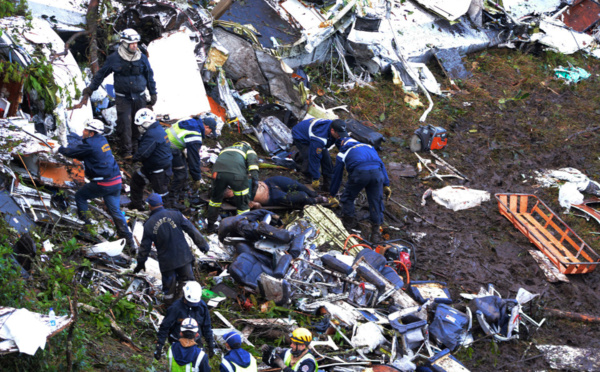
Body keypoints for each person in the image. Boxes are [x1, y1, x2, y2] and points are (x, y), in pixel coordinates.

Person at [55, 119, 135, 248]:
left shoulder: (90, 144)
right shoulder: (102, 140)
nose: (83, 132)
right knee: (115, 211)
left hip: (104, 183)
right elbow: (86, 155)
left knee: (80, 196)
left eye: (85, 130)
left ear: (91, 133)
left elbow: (71, 152)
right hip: (116, 182)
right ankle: (129, 240)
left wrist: (59, 148)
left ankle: (86, 226)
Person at [79, 28, 157, 158]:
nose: (134, 46)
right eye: (131, 43)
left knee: (139, 123)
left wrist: (153, 93)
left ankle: (136, 150)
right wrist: (91, 89)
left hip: (140, 97)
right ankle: (126, 151)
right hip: (123, 98)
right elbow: (101, 74)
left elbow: (149, 76)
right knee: (124, 124)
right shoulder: (114, 58)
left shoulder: (142, 57)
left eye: (136, 43)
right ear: (124, 43)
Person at [134, 194, 209, 304]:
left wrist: (140, 263)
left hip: (167, 262)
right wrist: (203, 245)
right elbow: (192, 230)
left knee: (169, 290)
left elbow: (145, 247)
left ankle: (170, 308)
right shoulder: (176, 214)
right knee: (188, 283)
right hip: (183, 257)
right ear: (161, 203)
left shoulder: (149, 224)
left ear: (149, 205)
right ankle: (186, 305)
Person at [329, 136, 391, 243]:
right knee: (376, 201)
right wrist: (386, 184)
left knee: (348, 197)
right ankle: (376, 233)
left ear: (342, 143)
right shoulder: (370, 147)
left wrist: (332, 194)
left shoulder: (343, 152)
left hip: (360, 173)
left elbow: (337, 176)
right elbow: (381, 164)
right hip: (377, 174)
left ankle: (349, 227)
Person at [155, 281, 215, 362]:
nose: (192, 305)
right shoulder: (175, 308)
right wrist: (159, 345)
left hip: (195, 342)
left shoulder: (202, 307)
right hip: (177, 342)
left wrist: (211, 344)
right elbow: (165, 326)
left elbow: (206, 326)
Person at [206, 141, 259, 233]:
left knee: (215, 200)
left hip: (217, 174)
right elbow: (253, 165)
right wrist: (255, 180)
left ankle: (210, 226)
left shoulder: (226, 149)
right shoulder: (248, 149)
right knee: (243, 204)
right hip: (237, 175)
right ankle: (242, 229)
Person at [129, 108, 174, 210]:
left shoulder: (152, 134)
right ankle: (136, 206)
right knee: (136, 180)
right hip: (152, 167)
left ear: (145, 123)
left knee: (161, 196)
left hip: (159, 171)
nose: (138, 128)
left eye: (139, 126)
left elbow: (143, 153)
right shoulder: (156, 129)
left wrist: (133, 159)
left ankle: (166, 215)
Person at [167, 116, 217, 203]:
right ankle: (171, 200)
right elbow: (193, 159)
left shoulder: (191, 121)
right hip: (169, 148)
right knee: (181, 174)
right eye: (210, 131)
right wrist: (197, 178)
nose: (209, 133)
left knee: (184, 171)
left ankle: (181, 195)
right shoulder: (195, 135)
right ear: (207, 127)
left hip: (165, 141)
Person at [291, 119, 348, 191]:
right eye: (339, 134)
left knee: (327, 161)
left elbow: (341, 144)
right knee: (309, 157)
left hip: (317, 138)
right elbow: (314, 158)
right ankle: (307, 182)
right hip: (301, 136)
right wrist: (316, 177)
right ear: (332, 130)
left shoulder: (337, 130)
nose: (340, 136)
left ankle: (328, 185)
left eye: (342, 134)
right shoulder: (319, 138)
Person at [223, 176, 327, 208]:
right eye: (229, 192)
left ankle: (314, 194)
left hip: (270, 183)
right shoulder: (237, 201)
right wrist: (253, 204)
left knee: (296, 185)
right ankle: (314, 200)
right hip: (272, 196)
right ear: (228, 196)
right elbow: (257, 205)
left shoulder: (234, 181)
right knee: (301, 196)